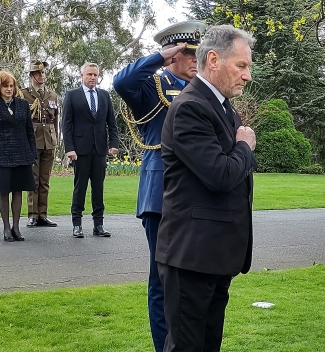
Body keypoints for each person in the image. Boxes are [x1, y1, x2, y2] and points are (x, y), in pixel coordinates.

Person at [156, 25, 257, 351]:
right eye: (241, 66)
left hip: (214, 254)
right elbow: (220, 175)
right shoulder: (190, 108)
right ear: (213, 59)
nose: (247, 76)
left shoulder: (223, 107)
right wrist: (244, 147)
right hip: (192, 257)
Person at [113, 20, 206, 352]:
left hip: (196, 193)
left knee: (192, 278)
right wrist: (158, 57)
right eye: (188, 53)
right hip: (160, 192)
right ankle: (164, 345)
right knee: (162, 277)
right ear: (174, 55)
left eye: (198, 53)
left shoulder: (203, 88)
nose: (196, 60)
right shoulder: (152, 84)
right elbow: (121, 81)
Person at [62, 62, 119, 238]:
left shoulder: (104, 96)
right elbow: (66, 125)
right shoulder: (72, 96)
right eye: (89, 74)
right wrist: (69, 148)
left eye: (95, 75)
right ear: (82, 76)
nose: (93, 77)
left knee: (98, 188)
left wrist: (114, 143)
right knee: (80, 188)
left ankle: (98, 224)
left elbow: (112, 123)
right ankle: (77, 224)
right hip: (80, 150)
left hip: (100, 149)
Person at [0, 70, 37, 242]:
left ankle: (16, 227)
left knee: (18, 190)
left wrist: (32, 155)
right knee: (3, 191)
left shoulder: (23, 105)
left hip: (22, 154)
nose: (9, 89)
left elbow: (30, 131)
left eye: (11, 85)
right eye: (5, 86)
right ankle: (6, 227)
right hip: (3, 156)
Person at [21, 60, 59, 228]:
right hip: (32, 141)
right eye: (38, 73)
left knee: (45, 180)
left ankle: (43, 214)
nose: (41, 76)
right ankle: (32, 214)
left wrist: (56, 139)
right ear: (31, 75)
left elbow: (55, 120)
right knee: (33, 180)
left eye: (43, 73)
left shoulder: (52, 95)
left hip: (49, 141)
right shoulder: (23, 94)